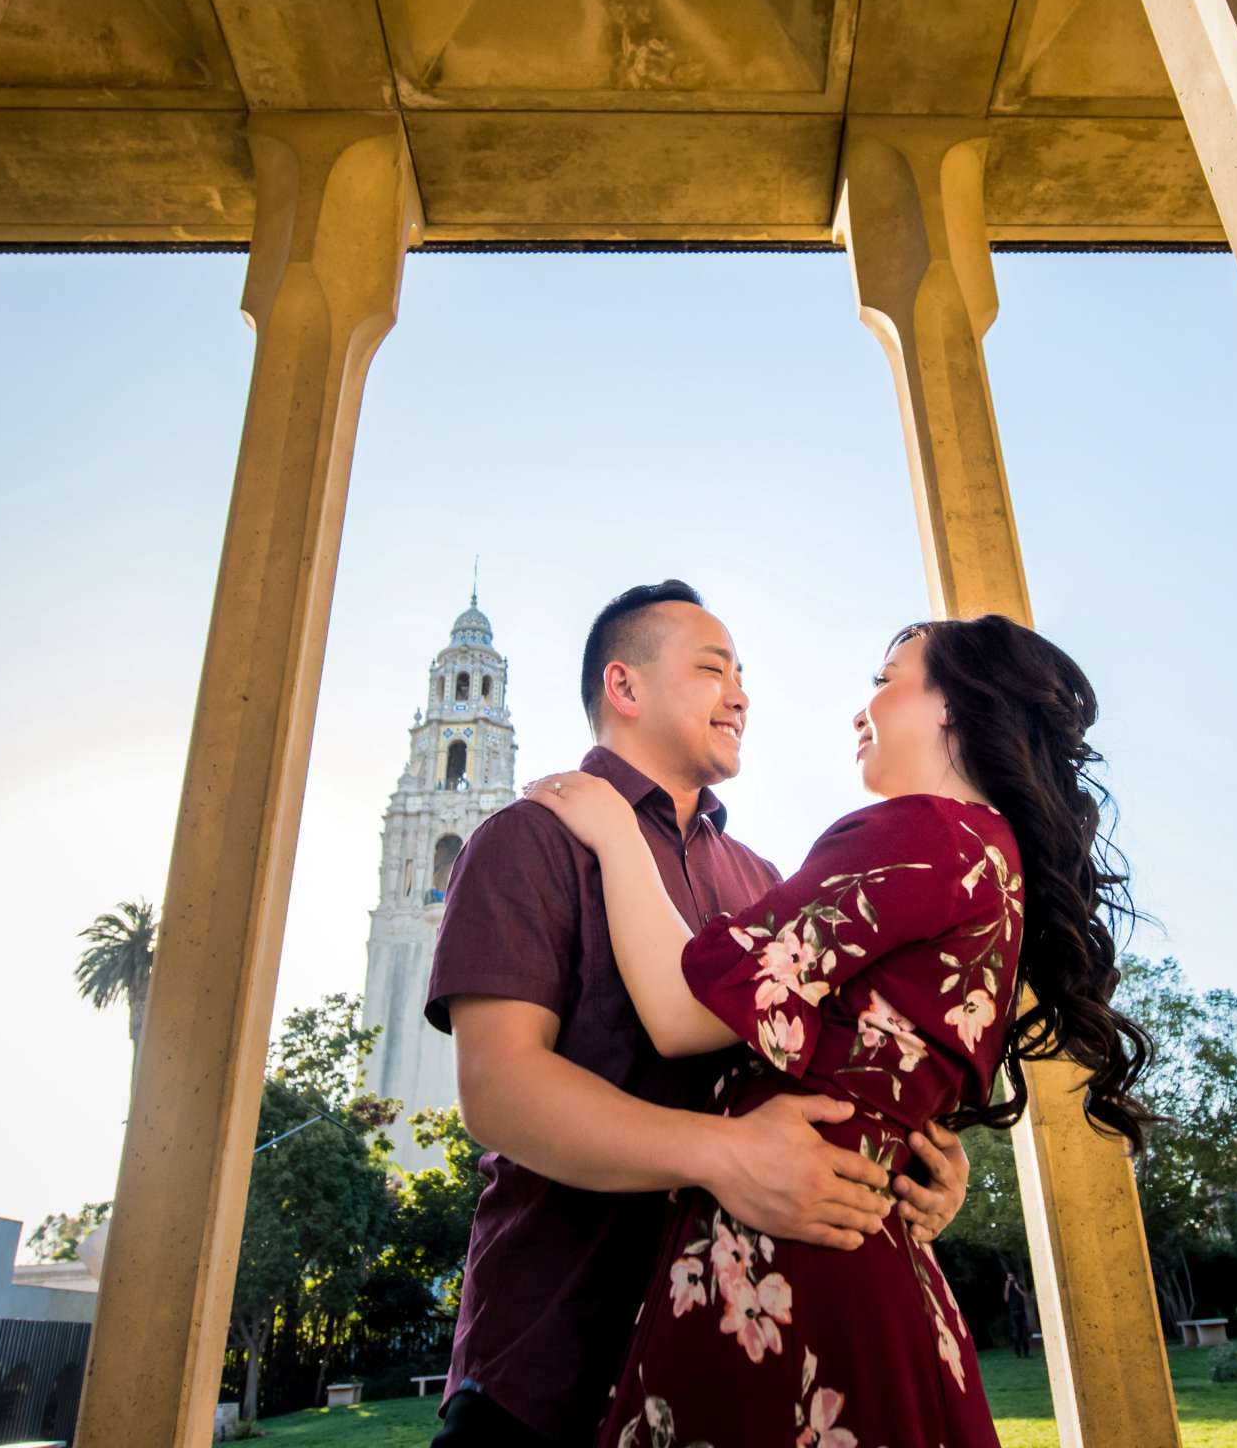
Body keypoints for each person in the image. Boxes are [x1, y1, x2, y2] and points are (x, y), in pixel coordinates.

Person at [523, 611, 1155, 1448]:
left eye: (885, 683)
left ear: (951, 707)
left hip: (789, 1262)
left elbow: (683, 1019)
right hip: (875, 1253)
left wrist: (610, 832)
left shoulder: (916, 831)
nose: (862, 709)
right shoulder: (992, 862)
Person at [424, 582, 974, 1448]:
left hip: (734, 1373)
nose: (742, 693)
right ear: (625, 688)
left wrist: (913, 1167)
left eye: (743, 673)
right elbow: (499, 1090)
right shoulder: (526, 839)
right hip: (550, 1370)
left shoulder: (766, 880)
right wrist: (724, 1155)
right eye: (713, 669)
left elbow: (841, 1060)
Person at [1002, 1268, 1035, 1360]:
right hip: (1013, 1313)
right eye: (1008, 1277)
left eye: (1011, 1277)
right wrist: (1007, 1287)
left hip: (1022, 1312)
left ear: (1014, 1277)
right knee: (1016, 1334)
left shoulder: (1019, 1285)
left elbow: (1026, 1297)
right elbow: (1006, 1299)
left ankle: (1026, 1353)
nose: (1010, 1279)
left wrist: (1018, 1289)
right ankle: (1018, 1354)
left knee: (1025, 1333)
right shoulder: (1007, 1287)